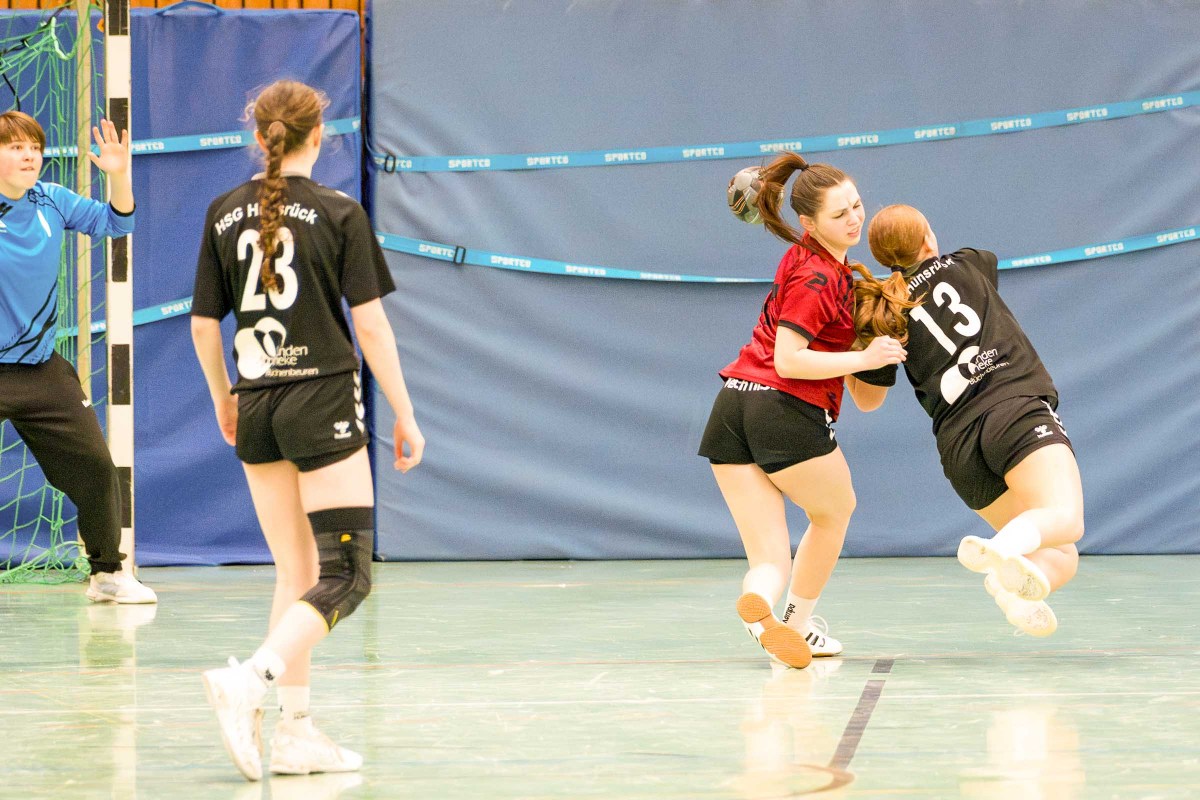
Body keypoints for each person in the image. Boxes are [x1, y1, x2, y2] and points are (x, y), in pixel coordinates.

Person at [190, 80, 424, 781]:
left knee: (295, 574)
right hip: (321, 401)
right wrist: (406, 412)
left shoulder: (222, 211)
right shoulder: (339, 211)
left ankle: (295, 734)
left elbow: (202, 325)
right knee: (347, 575)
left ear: (257, 135)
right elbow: (371, 326)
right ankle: (251, 681)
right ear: (319, 134)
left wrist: (225, 399)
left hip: (257, 402)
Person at [698, 152, 906, 669]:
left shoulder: (803, 257)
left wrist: (863, 342)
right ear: (810, 224)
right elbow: (789, 360)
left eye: (856, 205)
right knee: (835, 512)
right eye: (840, 214)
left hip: (731, 407)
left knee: (770, 559)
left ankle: (759, 606)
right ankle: (797, 623)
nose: (855, 219)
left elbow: (861, 394)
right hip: (781, 407)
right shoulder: (822, 279)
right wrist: (867, 357)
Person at [853, 204, 1084, 636]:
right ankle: (1000, 549)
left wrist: (854, 339)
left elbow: (867, 402)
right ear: (928, 238)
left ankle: (1009, 591)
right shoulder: (970, 263)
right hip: (1012, 408)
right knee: (1066, 518)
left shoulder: (882, 313)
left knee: (1060, 552)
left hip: (959, 449)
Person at [0, 110, 155, 604]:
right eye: (15, 147)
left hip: (41, 369)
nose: (29, 156)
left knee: (95, 467)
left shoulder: (52, 200)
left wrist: (119, 175)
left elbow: (117, 221)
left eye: (34, 147)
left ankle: (107, 574)